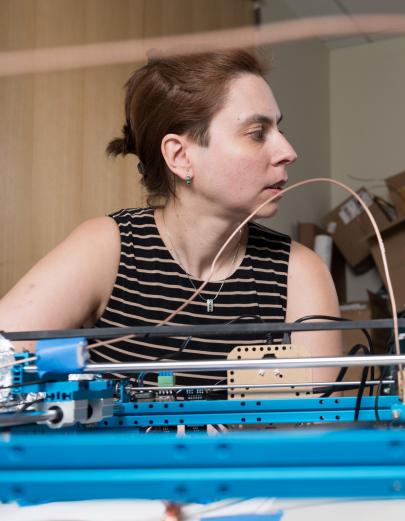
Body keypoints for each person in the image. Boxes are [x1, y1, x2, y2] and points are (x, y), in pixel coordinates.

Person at [0, 49, 342, 387]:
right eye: (257, 133)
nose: (288, 152)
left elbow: (315, 426)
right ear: (180, 156)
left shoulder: (299, 272)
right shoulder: (109, 249)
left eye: (279, 130)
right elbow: (5, 357)